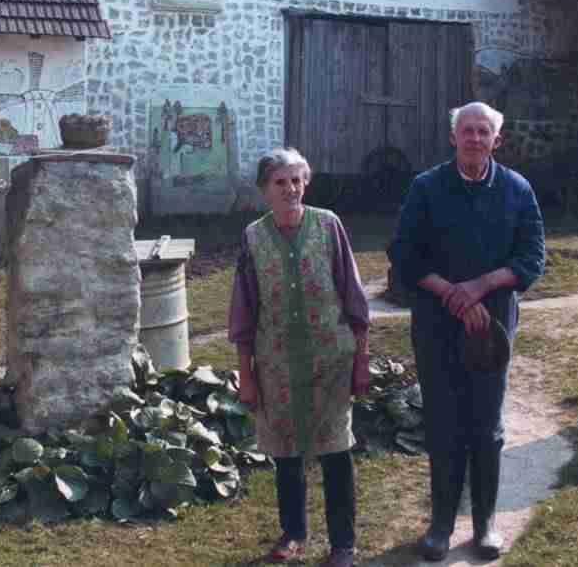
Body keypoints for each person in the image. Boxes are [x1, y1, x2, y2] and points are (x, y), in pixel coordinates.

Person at [388, 102, 545, 561]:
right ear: (452, 137)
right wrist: (451, 294)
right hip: (437, 322)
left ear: (497, 140)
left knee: (486, 424)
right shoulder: (426, 188)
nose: (474, 138)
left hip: (492, 324)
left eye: (483, 132)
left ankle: (485, 524)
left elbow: (532, 256)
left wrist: (481, 287)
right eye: (466, 131)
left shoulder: (517, 190)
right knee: (442, 421)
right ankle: (440, 525)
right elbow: (404, 253)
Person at [229, 148, 371, 567]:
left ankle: (342, 543)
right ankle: (293, 533)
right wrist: (247, 375)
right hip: (276, 363)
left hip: (332, 360)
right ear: (263, 190)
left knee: (335, 451)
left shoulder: (328, 226)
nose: (291, 189)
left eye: (297, 180)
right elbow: (244, 311)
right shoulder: (253, 237)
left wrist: (361, 360)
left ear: (305, 183)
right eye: (280, 182)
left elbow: (354, 298)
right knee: (286, 454)